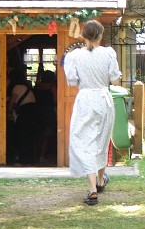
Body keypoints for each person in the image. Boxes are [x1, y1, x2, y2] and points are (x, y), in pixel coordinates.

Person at [64, 20, 122, 206]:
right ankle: (100, 180)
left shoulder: (75, 56)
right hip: (103, 99)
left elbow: (72, 81)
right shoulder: (108, 53)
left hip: (85, 100)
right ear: (100, 35)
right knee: (101, 140)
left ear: (84, 36)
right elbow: (115, 81)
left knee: (84, 141)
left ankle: (92, 190)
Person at [7, 67, 40, 165]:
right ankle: (29, 160)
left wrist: (8, 112)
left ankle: (23, 160)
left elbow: (12, 101)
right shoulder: (25, 87)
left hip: (25, 113)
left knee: (22, 137)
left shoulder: (17, 87)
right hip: (32, 113)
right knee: (28, 137)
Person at [33, 70, 58, 164]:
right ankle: (42, 156)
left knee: (37, 134)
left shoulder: (37, 87)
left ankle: (35, 155)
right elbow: (55, 100)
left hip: (36, 111)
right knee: (47, 134)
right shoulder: (52, 87)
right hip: (48, 111)